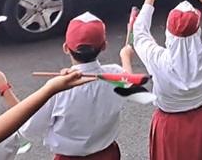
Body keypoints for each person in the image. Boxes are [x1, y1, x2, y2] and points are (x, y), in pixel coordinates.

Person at [132, 0, 202, 160]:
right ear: (198, 31)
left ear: (168, 31)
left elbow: (139, 32)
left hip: (169, 125)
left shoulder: (157, 58)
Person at [20, 12, 130, 159]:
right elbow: (129, 80)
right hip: (108, 154)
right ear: (104, 46)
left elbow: (27, 128)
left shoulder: (57, 89)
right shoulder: (116, 74)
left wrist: (4, 89)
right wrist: (126, 57)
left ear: (66, 48)